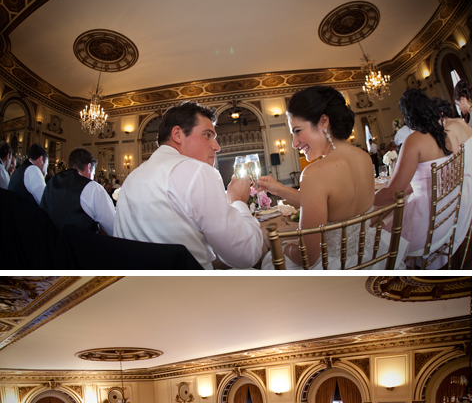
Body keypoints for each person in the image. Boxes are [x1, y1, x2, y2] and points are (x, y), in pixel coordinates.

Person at [256, 86, 401, 269]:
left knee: (269, 258)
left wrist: (284, 248)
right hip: (373, 257)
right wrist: (280, 189)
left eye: (298, 130)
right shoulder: (364, 157)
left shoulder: (314, 174)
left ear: (324, 121)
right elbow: (331, 204)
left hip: (336, 266)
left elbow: (307, 257)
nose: (294, 143)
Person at [114, 100, 264, 268]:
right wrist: (239, 201)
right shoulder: (197, 172)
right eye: (207, 135)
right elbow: (245, 255)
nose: (217, 146)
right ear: (177, 135)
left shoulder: (131, 179)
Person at [373, 89, 471, 268]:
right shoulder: (444, 133)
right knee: (384, 219)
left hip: (427, 224)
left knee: (374, 238)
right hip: (447, 213)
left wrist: (365, 199)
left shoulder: (414, 141)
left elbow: (393, 193)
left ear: (408, 117)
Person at [40, 147, 116, 235]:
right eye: (93, 173)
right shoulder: (92, 187)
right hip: (81, 246)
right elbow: (113, 227)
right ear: (88, 167)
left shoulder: (52, 181)